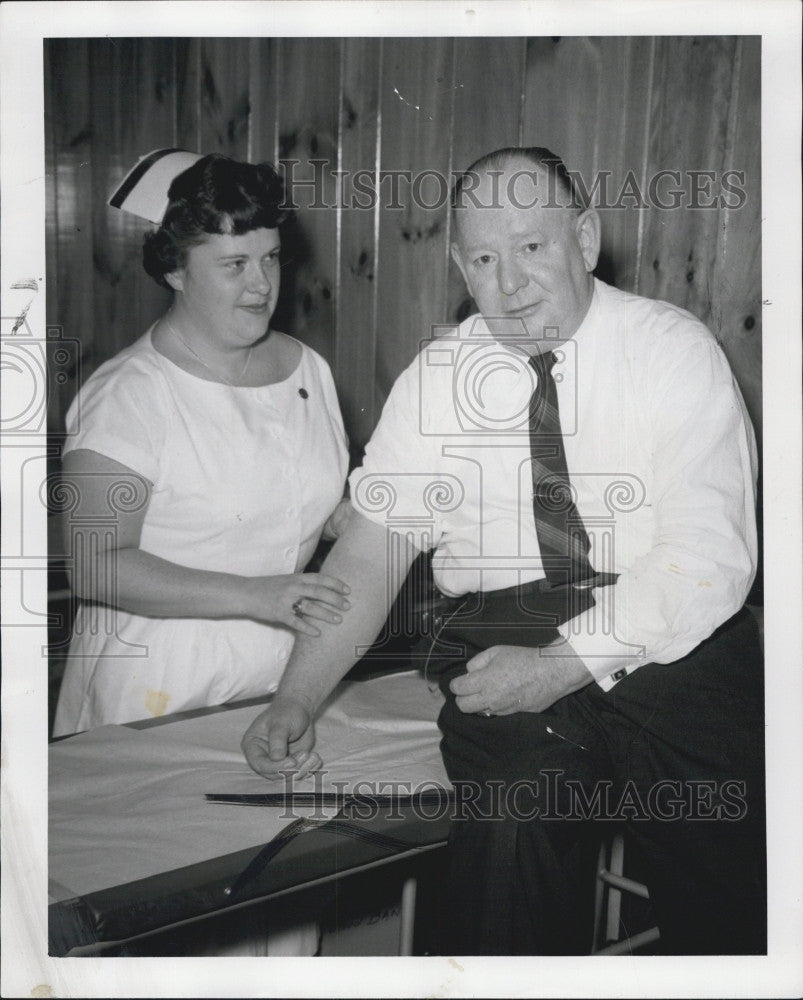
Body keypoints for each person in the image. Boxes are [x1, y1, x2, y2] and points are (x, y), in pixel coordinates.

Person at [241, 147, 765, 955]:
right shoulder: (437, 377)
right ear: (460, 264)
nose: (510, 283)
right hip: (503, 627)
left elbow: (705, 559)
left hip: (671, 635)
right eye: (484, 258)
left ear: (584, 240)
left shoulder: (671, 350)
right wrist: (296, 698)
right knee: (512, 834)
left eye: (531, 247)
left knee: (728, 875)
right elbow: (371, 555)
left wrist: (561, 664)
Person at [53, 151, 352, 737]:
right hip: (155, 693)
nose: (261, 285)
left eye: (270, 258)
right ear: (175, 271)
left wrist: (354, 518)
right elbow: (95, 568)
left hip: (284, 683)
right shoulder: (128, 393)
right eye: (234, 264)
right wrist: (257, 596)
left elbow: (292, 503)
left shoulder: (306, 371)